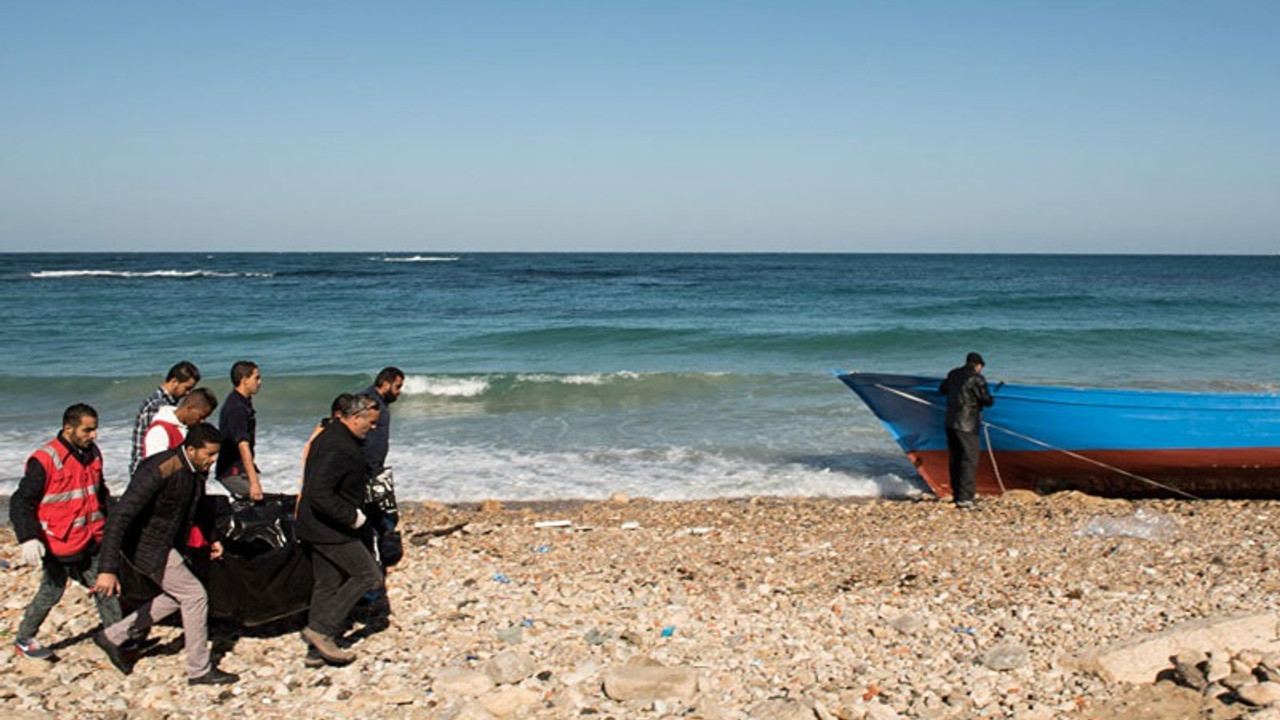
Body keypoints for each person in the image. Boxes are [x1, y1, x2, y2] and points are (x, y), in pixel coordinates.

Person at [92, 423, 239, 685]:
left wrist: (212, 538)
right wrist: (107, 568)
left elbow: (198, 505)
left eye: (216, 455)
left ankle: (112, 636)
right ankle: (199, 669)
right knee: (194, 596)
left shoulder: (197, 468)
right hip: (146, 545)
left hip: (164, 543)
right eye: (209, 455)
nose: (213, 460)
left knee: (177, 595)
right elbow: (120, 516)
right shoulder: (161, 469)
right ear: (191, 449)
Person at [10, 404, 122, 661]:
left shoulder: (93, 453)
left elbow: (99, 492)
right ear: (68, 428)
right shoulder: (45, 459)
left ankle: (116, 637)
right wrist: (28, 537)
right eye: (88, 430)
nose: (94, 435)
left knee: (104, 587)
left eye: (95, 429)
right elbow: (21, 501)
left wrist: (117, 516)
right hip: (58, 544)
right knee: (51, 591)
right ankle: (24, 639)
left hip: (91, 537)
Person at [296, 394, 384, 666]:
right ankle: (321, 630)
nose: (373, 428)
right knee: (369, 576)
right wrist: (352, 518)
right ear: (355, 418)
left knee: (328, 583)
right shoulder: (339, 446)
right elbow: (319, 493)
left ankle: (316, 649)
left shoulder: (331, 433)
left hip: (315, 524)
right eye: (370, 422)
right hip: (330, 527)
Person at [359, 367, 405, 570]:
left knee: (382, 514)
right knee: (380, 515)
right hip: (365, 470)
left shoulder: (381, 404)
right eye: (397, 386)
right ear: (385, 383)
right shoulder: (368, 402)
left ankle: (378, 555)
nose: (399, 391)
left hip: (375, 469)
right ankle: (376, 557)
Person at [939, 352, 995, 509]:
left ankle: (957, 495)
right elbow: (987, 400)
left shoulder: (953, 374)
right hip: (968, 425)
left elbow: (942, 390)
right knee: (969, 461)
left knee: (955, 459)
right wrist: (992, 398)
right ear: (978, 365)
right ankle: (966, 499)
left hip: (950, 423)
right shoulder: (976, 378)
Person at [130, 361, 201, 475]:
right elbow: (153, 448)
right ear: (174, 381)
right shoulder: (158, 407)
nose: (188, 393)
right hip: (146, 473)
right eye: (186, 388)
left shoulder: (161, 402)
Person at [216, 361, 264, 500]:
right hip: (232, 471)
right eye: (256, 378)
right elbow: (243, 444)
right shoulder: (237, 407)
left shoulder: (243, 401)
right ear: (244, 380)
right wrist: (254, 482)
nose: (260, 382)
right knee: (257, 505)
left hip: (238, 469)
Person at [143, 388, 218, 460]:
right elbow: (155, 468)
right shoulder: (159, 431)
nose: (202, 421)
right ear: (189, 408)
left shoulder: (189, 427)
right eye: (201, 416)